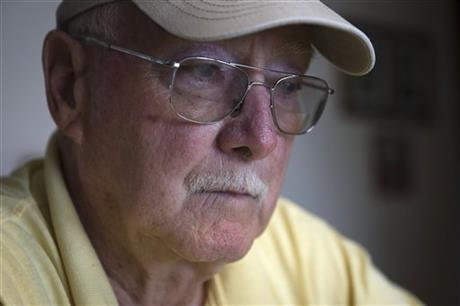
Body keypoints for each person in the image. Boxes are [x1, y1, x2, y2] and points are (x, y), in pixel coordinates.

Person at [0, 0, 422, 305]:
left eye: (290, 84)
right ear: (69, 85)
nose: (261, 137)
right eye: (204, 71)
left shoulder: (308, 260)